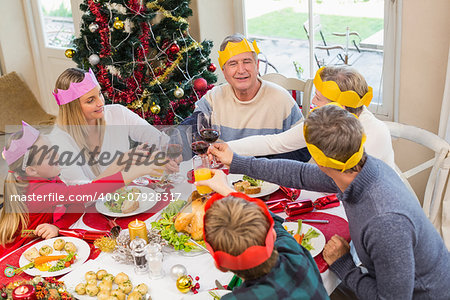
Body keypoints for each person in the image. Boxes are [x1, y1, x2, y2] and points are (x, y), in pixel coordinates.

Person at [206, 104, 450, 299]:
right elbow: (298, 174)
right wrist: (236, 161)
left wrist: (345, 267)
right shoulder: (359, 167)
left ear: (319, 159)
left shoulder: (385, 222)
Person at [0, 121, 164, 258]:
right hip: (19, 252)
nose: (56, 155)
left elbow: (78, 201)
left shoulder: (45, 178)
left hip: (42, 241)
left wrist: (59, 226)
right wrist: (133, 172)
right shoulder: (38, 191)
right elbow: (86, 193)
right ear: (32, 170)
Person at [227, 66, 395, 169]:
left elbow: (345, 189)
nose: (313, 101)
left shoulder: (374, 134)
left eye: (319, 98)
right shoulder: (325, 120)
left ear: (339, 108)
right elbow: (276, 143)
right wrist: (225, 148)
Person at [184, 33, 309, 162]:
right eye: (233, 64)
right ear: (224, 71)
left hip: (266, 177)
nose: (241, 70)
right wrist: (175, 152)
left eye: (247, 62)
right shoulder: (213, 97)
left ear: (257, 65)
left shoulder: (282, 99)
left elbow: (303, 149)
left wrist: (262, 167)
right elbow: (190, 129)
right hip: (222, 175)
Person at [49, 67, 178, 185]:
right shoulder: (59, 139)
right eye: (90, 100)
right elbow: (84, 197)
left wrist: (168, 156)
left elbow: (160, 140)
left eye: (99, 94)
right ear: (73, 108)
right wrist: (118, 166)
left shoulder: (117, 113)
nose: (101, 103)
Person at [199, 188, 329, 299]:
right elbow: (274, 222)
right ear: (272, 235)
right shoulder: (293, 253)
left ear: (220, 266)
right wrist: (225, 188)